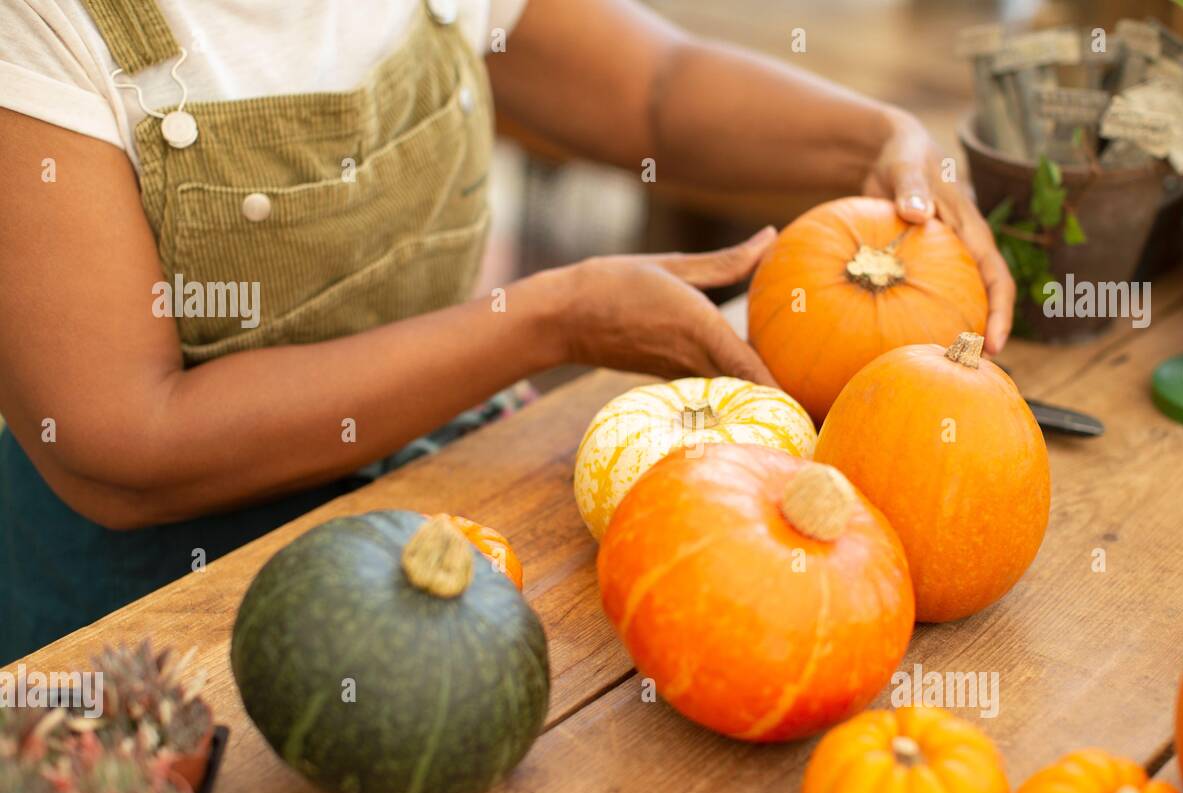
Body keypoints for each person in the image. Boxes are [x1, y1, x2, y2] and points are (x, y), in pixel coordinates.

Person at [0, 0, 1014, 657]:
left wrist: (876, 137)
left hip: (459, 497)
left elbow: (651, 93)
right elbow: (126, 445)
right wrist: (547, 321)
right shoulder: (40, 25)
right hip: (159, 602)